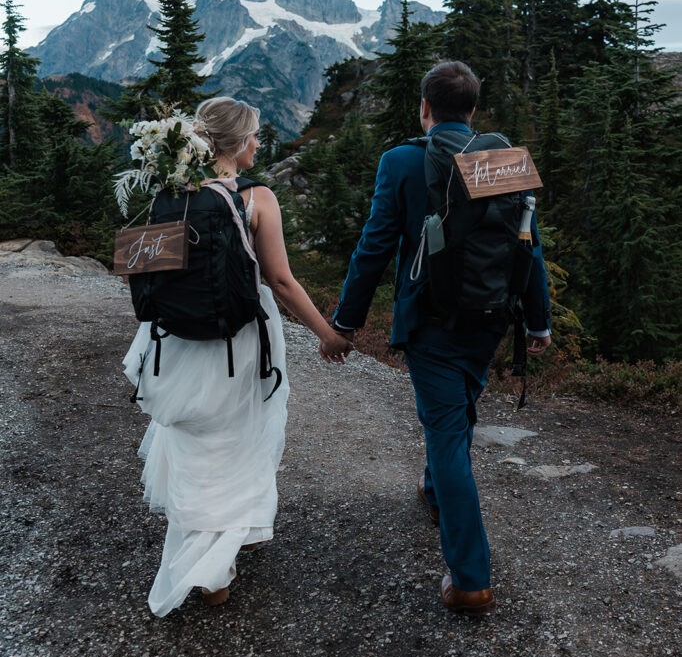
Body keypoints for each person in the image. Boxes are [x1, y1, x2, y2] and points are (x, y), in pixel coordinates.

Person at [330, 61, 551, 615]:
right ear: (473, 110)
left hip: (430, 323)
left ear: (424, 108)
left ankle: (472, 579)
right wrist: (537, 319)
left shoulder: (402, 161)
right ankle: (435, 494)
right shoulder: (501, 160)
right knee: (460, 408)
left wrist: (345, 322)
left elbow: (375, 247)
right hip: (492, 317)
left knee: (447, 434)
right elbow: (529, 243)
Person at [123, 96, 352, 616]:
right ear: (237, 142)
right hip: (240, 337)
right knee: (239, 436)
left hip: (177, 339)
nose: (257, 144)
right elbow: (281, 281)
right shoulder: (258, 198)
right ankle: (225, 546)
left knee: (194, 443)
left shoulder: (172, 191)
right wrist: (327, 333)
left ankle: (214, 560)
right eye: (253, 136)